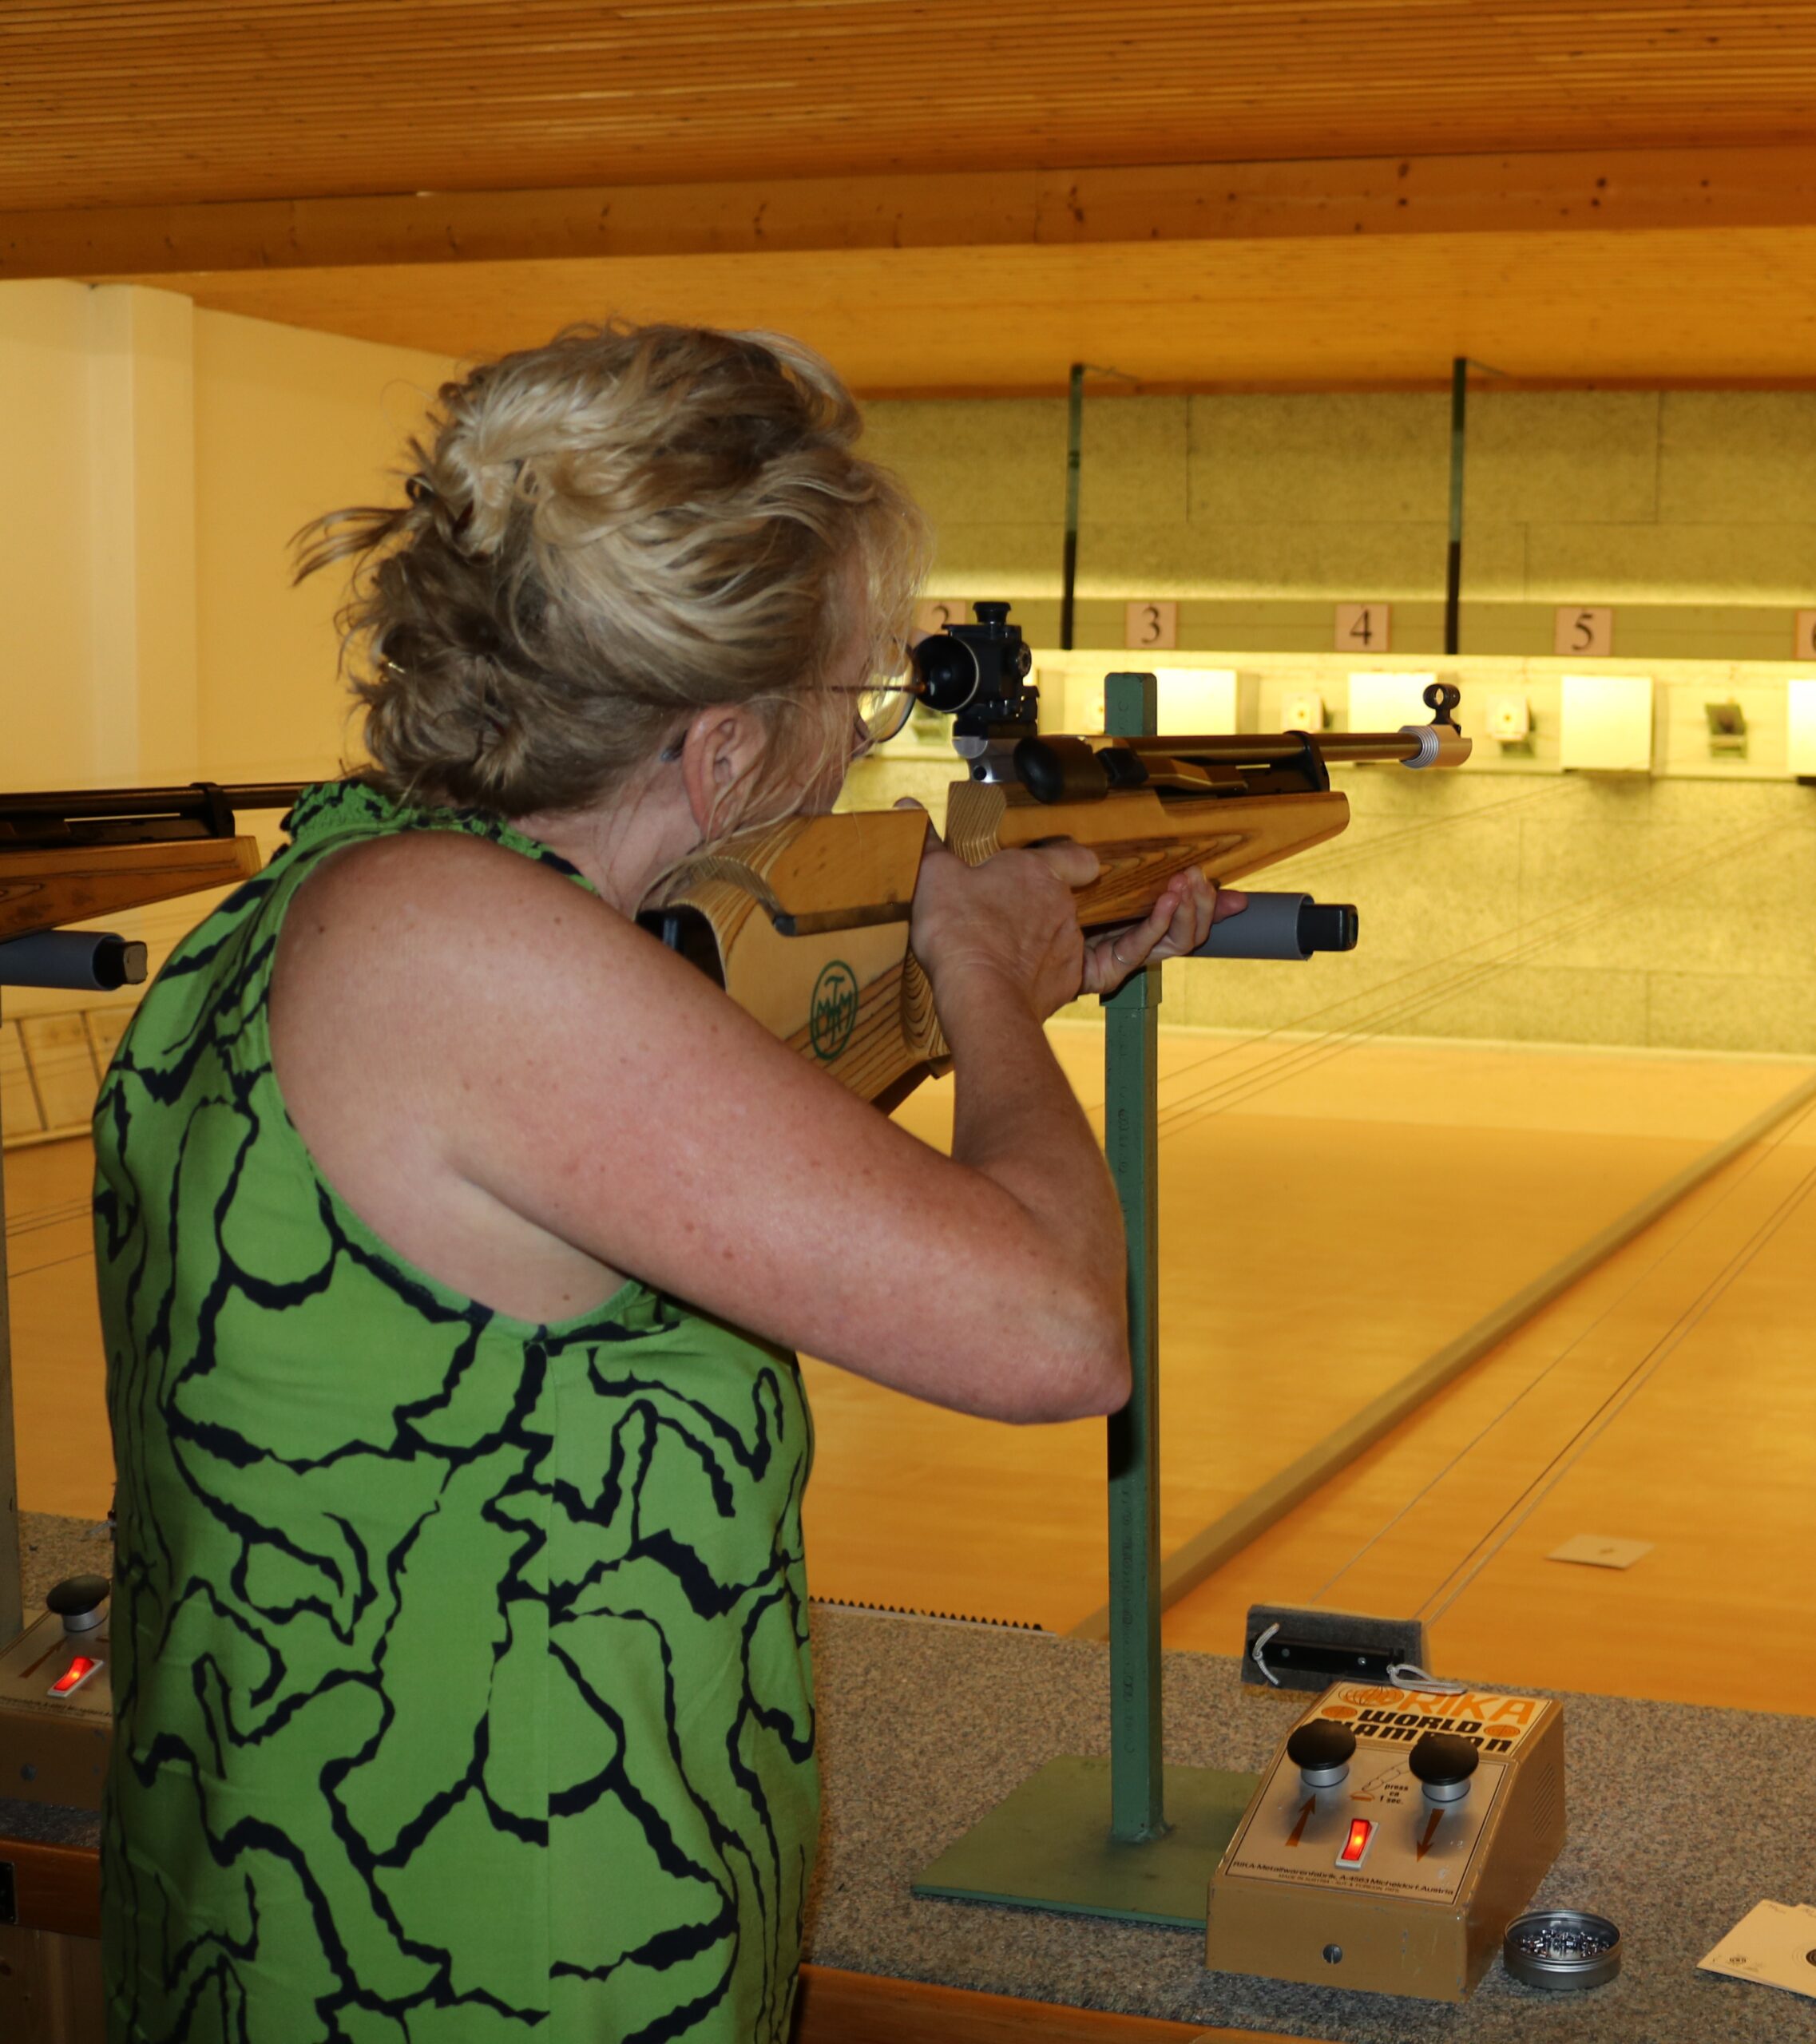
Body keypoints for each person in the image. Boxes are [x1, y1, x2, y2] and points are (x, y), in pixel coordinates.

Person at [93, 322, 1229, 2044]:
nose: (858, 749)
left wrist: (980, 992)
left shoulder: (353, 894)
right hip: (486, 1955)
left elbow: (673, 1164)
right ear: (718, 755)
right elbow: (1055, 1334)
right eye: (851, 703)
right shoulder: (472, 956)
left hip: (319, 1910)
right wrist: (986, 977)